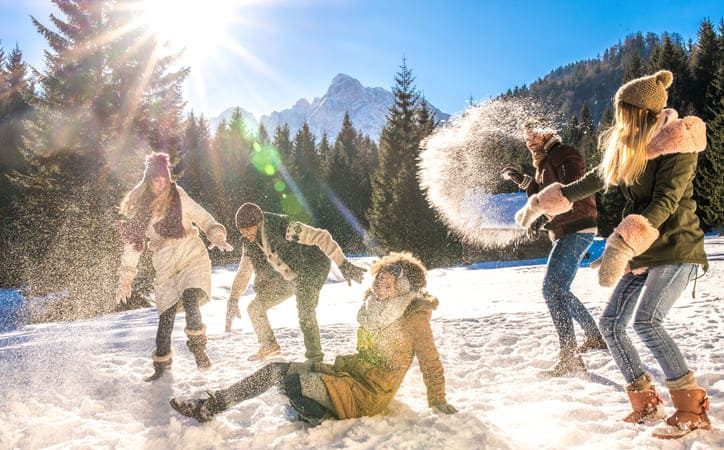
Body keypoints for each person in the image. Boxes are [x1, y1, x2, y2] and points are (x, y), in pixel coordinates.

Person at [514, 70, 710, 439]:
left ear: (642, 112)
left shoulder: (678, 143)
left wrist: (622, 244)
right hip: (644, 250)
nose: (620, 119)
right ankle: (645, 401)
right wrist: (540, 203)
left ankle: (691, 409)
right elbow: (590, 182)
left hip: (677, 246)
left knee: (646, 322)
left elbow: (665, 201)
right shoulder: (628, 146)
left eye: (625, 112)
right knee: (611, 325)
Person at [170, 252, 457, 424]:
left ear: (403, 287)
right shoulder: (373, 309)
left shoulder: (413, 317)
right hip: (349, 376)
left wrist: (438, 399)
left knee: (293, 384)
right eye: (378, 281)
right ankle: (212, 406)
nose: (380, 286)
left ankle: (318, 414)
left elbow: (430, 361)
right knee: (274, 372)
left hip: (369, 394)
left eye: (388, 283)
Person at [500, 122, 606, 377]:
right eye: (526, 138)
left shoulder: (564, 154)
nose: (529, 142)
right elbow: (543, 194)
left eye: (533, 135)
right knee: (559, 289)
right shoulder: (546, 162)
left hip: (576, 227)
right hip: (566, 230)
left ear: (547, 132)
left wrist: (542, 209)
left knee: (552, 289)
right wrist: (525, 181)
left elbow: (568, 191)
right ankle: (593, 336)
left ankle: (570, 357)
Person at [115, 152, 233, 381]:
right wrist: (126, 278)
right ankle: (161, 367)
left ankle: (199, 350)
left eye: (164, 179)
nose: (161, 184)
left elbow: (203, 217)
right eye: (156, 180)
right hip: (166, 268)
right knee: (165, 318)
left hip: (192, 257)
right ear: (148, 181)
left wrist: (216, 235)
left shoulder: (178, 195)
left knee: (190, 299)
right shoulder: (142, 210)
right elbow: (133, 246)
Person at [225, 202, 366, 362]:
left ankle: (315, 358)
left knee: (305, 311)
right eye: (242, 232)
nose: (246, 235)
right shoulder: (249, 243)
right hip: (288, 275)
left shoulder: (283, 227)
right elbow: (244, 271)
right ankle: (269, 345)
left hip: (311, 268)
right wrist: (233, 298)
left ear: (259, 222)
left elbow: (321, 236)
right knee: (255, 307)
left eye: (248, 230)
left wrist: (343, 263)